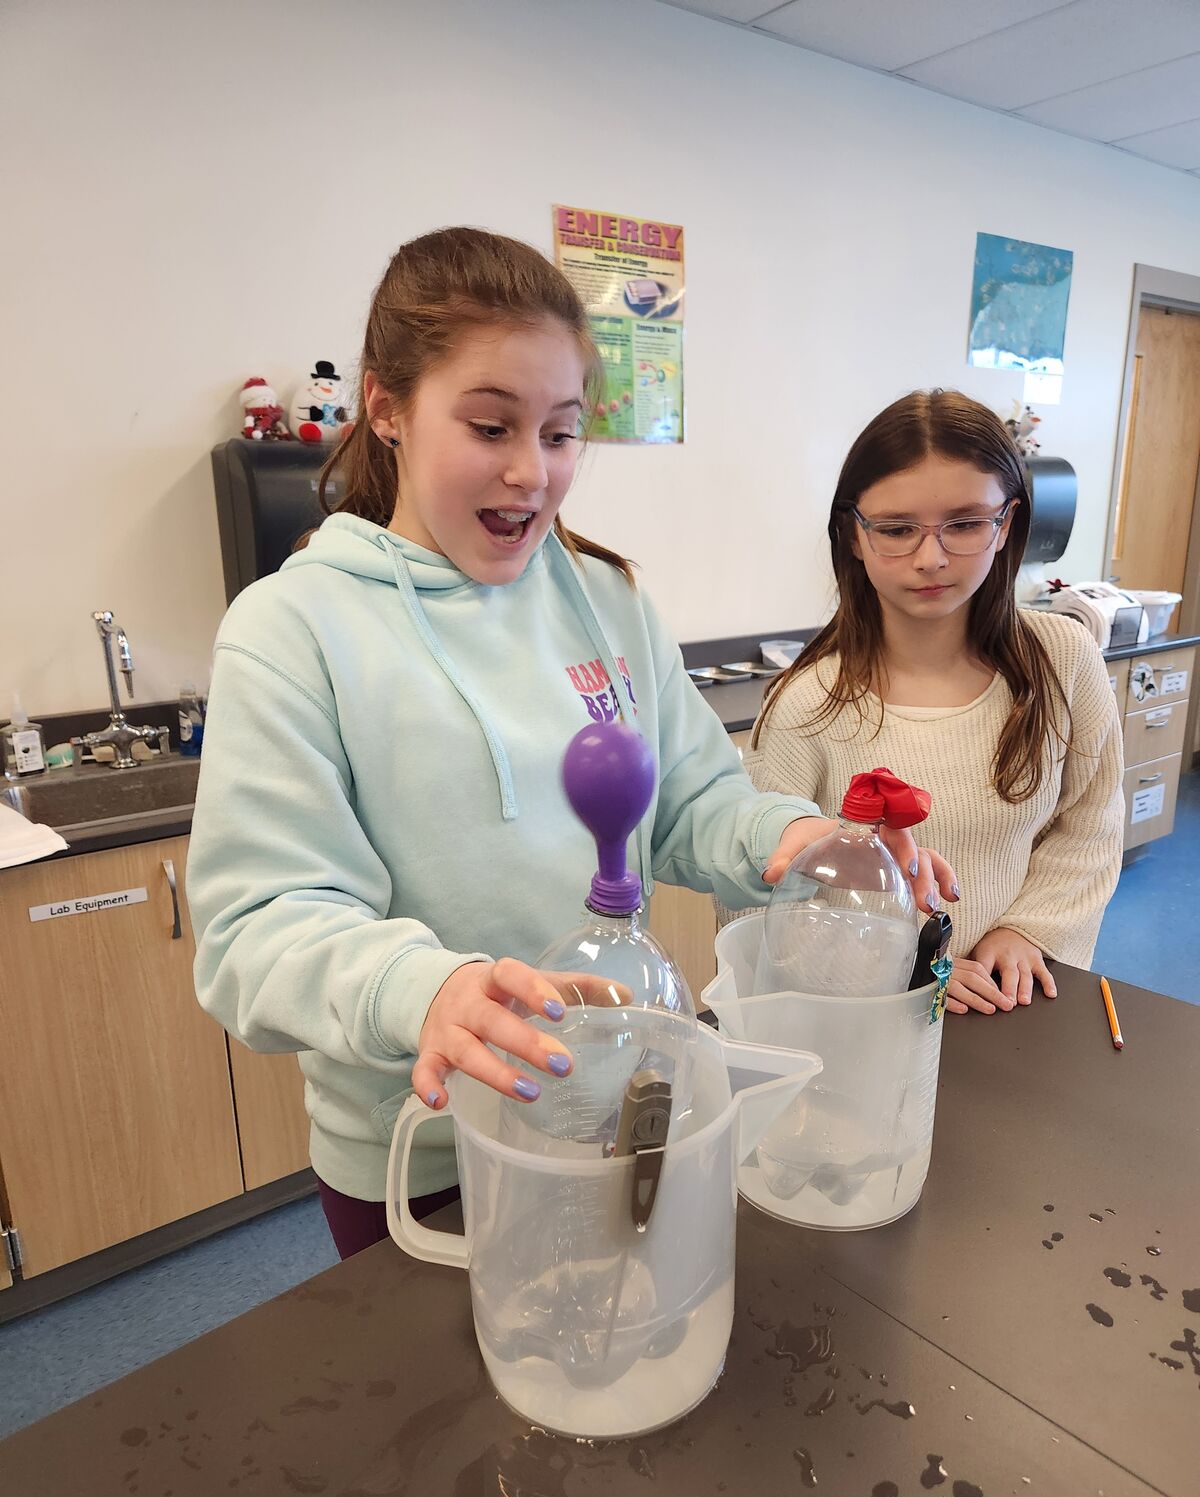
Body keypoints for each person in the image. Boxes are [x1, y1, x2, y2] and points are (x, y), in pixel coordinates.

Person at [187, 228, 952, 1256]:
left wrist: (793, 840)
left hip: (622, 1102)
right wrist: (429, 990)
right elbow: (260, 929)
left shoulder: (605, 598)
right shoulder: (294, 632)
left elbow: (689, 799)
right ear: (385, 407)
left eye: (559, 432)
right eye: (491, 426)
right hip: (433, 1153)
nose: (531, 474)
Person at [742, 389, 1123, 1017]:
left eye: (966, 524)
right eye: (896, 530)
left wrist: (1028, 931)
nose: (931, 558)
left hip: (1013, 1005)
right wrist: (907, 978)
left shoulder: (1062, 659)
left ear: (1006, 526)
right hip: (865, 1024)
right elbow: (758, 901)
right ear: (854, 536)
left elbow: (1088, 825)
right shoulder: (807, 704)